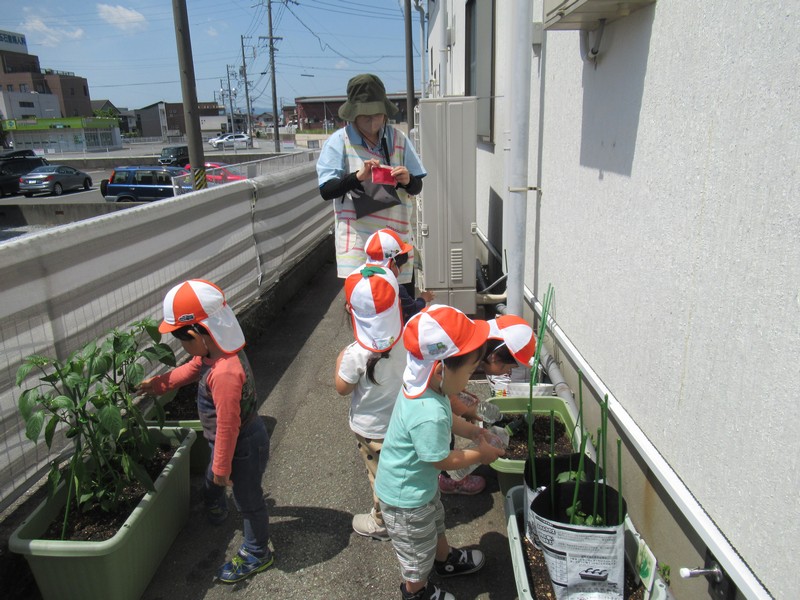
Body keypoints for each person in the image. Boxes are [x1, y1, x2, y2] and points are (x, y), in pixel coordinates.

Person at [138, 279, 272, 584]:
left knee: (248, 500)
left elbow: (228, 426)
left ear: (198, 333)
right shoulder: (215, 351)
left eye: (182, 339)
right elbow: (191, 368)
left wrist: (223, 468)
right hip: (228, 441)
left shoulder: (225, 373)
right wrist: (159, 384)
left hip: (243, 445)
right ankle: (215, 497)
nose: (182, 347)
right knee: (216, 477)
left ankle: (257, 552)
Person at [375, 305, 506, 600]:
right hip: (405, 501)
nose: (470, 378)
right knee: (416, 552)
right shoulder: (428, 412)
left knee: (435, 524)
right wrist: (481, 454)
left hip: (418, 489)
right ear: (440, 369)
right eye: (470, 371)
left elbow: (450, 420)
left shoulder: (429, 388)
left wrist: (474, 432)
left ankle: (444, 560)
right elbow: (441, 460)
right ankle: (416, 591)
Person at [317, 73, 426, 285]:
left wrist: (407, 180)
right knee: (364, 300)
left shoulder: (398, 139)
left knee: (401, 301)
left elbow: (417, 187)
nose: (373, 120)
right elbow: (326, 190)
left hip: (396, 243)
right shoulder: (339, 141)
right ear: (353, 114)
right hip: (358, 246)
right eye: (366, 115)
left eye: (378, 114)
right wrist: (358, 177)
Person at [334, 264, 406, 541]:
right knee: (401, 470)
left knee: (379, 477)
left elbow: (342, 388)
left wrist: (339, 360)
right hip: (402, 422)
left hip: (371, 431)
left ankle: (382, 523)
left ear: (350, 310)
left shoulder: (355, 353)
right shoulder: (407, 336)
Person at [363, 228, 435, 321]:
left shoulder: (360, 280)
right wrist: (423, 298)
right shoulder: (396, 288)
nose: (402, 269)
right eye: (401, 265)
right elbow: (413, 309)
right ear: (393, 264)